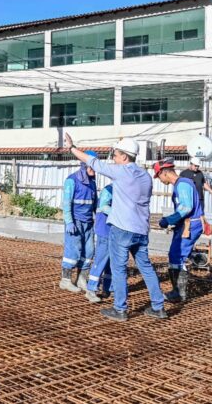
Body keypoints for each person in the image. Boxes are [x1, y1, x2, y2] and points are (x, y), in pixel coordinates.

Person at [64, 134, 167, 321]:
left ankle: (120, 309)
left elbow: (93, 162)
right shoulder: (145, 177)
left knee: (119, 268)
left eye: (116, 155)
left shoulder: (121, 172)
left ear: (125, 157)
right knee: (146, 267)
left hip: (122, 229)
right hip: (141, 230)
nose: (113, 158)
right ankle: (158, 306)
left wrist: (71, 148)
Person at [156, 158, 204, 303]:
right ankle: (177, 290)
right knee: (175, 255)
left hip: (190, 225)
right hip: (186, 224)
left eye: (158, 176)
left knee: (179, 255)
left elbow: (186, 207)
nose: (159, 179)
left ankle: (179, 293)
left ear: (164, 173)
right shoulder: (181, 184)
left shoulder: (182, 184)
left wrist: (169, 220)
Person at [59, 150, 98, 293]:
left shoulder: (92, 183)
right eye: (92, 166)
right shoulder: (72, 180)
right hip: (75, 223)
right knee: (73, 251)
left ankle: (81, 279)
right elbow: (66, 203)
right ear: (84, 165)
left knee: (89, 252)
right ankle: (65, 280)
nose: (95, 169)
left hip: (88, 223)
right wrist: (69, 221)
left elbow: (95, 204)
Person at [85, 184, 113, 303]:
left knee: (112, 262)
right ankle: (91, 289)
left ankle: (108, 288)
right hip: (105, 229)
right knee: (101, 259)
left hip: (115, 231)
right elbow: (103, 206)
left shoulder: (124, 188)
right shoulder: (109, 189)